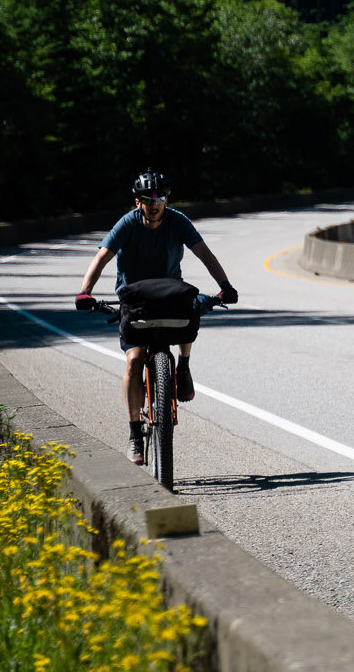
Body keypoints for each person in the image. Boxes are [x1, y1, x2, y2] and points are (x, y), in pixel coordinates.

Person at [75, 171, 239, 464]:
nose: (154, 204)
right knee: (134, 358)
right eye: (147, 199)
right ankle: (135, 434)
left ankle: (184, 366)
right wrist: (84, 291)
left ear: (167, 200)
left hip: (169, 295)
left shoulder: (178, 221)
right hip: (136, 300)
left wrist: (225, 286)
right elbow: (102, 256)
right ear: (137, 202)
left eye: (159, 198)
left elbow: (204, 253)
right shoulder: (127, 223)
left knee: (190, 311)